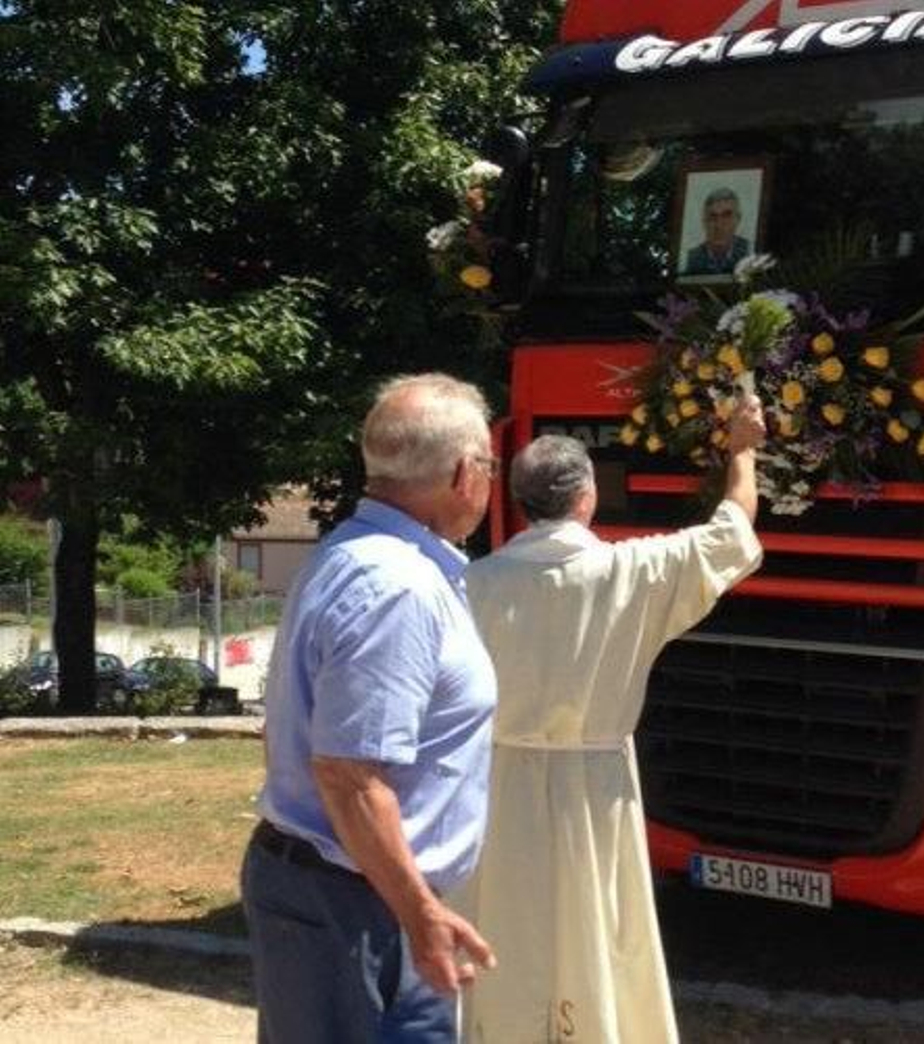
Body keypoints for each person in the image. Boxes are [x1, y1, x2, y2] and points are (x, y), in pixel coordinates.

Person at [456, 396, 767, 1043]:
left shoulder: (470, 585)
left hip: (497, 788)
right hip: (593, 793)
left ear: (518, 501)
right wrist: (742, 449)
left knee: (507, 930)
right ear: (587, 497)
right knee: (597, 934)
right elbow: (732, 527)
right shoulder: (633, 569)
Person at [242, 373, 500, 1043]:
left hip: (351, 892)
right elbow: (348, 773)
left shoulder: (354, 556)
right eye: (490, 467)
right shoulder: (399, 587)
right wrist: (419, 914)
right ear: (466, 473)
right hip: (356, 902)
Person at [681, 186, 751, 276]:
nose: (719, 225)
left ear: (738, 219)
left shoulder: (748, 251)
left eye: (726, 216)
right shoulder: (692, 258)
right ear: (704, 221)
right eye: (713, 217)